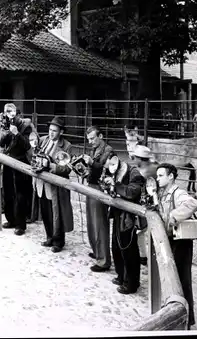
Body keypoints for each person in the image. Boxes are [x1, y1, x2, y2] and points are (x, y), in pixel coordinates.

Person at [156, 163, 197, 330]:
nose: (158, 179)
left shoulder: (178, 193)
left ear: (171, 176)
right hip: (172, 240)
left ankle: (187, 321)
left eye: (161, 175)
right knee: (175, 279)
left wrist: (173, 216)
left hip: (181, 242)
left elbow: (192, 203)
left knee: (182, 280)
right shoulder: (164, 193)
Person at [102, 151, 145, 294]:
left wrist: (116, 185)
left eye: (112, 164)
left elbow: (133, 192)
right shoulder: (110, 169)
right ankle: (121, 276)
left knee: (128, 249)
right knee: (116, 246)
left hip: (128, 215)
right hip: (117, 211)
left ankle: (132, 283)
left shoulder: (133, 172)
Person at [30, 116, 74, 252]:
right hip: (41, 183)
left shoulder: (67, 146)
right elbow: (33, 154)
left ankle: (58, 242)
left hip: (55, 185)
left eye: (55, 131)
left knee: (57, 213)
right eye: (50, 130)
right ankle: (49, 236)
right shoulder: (42, 140)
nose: (51, 133)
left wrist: (51, 165)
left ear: (61, 132)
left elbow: (68, 168)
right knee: (45, 211)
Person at [0, 103, 33, 236]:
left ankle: (20, 225)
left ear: (17, 113)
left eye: (11, 112)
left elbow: (27, 146)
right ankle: (11, 220)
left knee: (20, 195)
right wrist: (3, 132)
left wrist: (16, 133)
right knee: (8, 192)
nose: (9, 115)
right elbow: (2, 143)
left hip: (20, 162)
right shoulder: (5, 125)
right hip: (8, 160)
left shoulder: (26, 126)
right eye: (6, 112)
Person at [82, 126, 114, 272]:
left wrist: (90, 163)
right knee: (91, 222)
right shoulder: (94, 149)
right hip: (91, 185)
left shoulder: (109, 150)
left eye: (93, 138)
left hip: (100, 189)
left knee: (100, 224)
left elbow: (106, 169)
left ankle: (103, 260)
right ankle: (97, 251)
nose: (90, 142)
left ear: (100, 136)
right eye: (88, 139)